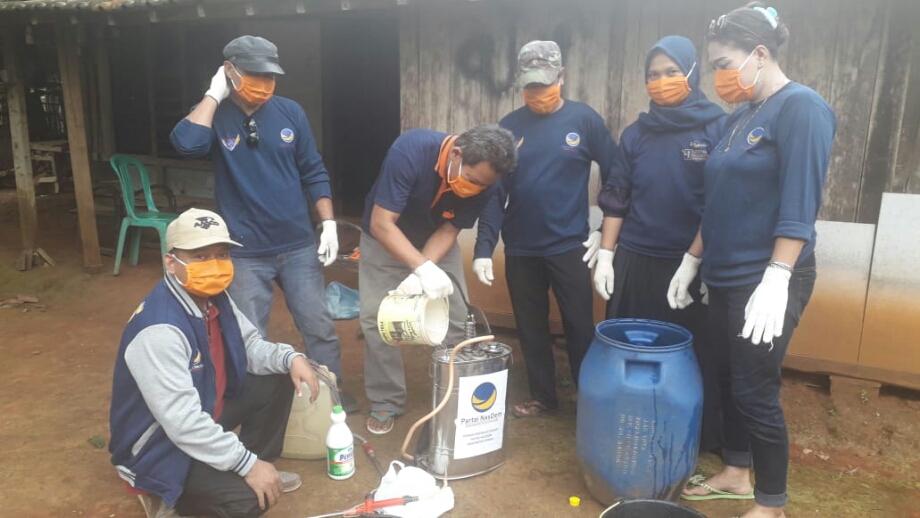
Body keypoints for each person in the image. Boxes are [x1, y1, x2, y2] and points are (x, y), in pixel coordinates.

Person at [673, 5, 836, 518]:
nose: (721, 74)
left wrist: (778, 276)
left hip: (766, 277)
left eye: (725, 62)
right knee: (725, 376)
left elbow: (800, 202)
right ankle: (736, 471)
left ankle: (772, 504)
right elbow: (717, 201)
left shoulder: (802, 108)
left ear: (759, 55)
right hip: (724, 272)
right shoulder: (738, 117)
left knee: (755, 388)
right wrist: (691, 259)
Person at [169, 35, 356, 412]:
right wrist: (212, 94)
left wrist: (329, 223)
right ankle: (258, 406)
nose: (264, 83)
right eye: (254, 74)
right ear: (230, 72)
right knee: (249, 335)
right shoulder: (214, 115)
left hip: (298, 245)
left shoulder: (290, 113)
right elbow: (186, 145)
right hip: (245, 251)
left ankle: (330, 397)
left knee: (318, 327)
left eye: (269, 75)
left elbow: (313, 170)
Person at [109, 208, 321, 518]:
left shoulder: (213, 296)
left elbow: (249, 345)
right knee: (249, 501)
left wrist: (290, 356)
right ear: (171, 263)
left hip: (203, 411)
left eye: (221, 254)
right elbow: (182, 423)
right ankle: (170, 497)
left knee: (278, 376)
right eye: (200, 256)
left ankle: (259, 468)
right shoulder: (160, 330)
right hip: (161, 444)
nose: (214, 266)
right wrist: (246, 466)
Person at [473, 40, 620, 418]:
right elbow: (493, 192)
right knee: (530, 326)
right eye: (530, 86)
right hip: (521, 246)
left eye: (545, 84)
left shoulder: (583, 120)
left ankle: (589, 399)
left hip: (570, 244)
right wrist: (484, 246)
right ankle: (543, 396)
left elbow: (617, 174)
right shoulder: (508, 127)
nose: (538, 93)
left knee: (579, 326)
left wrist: (603, 227)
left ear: (562, 76)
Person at [594, 35, 726, 452]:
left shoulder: (717, 127)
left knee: (691, 353)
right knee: (632, 349)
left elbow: (721, 202)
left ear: (691, 73)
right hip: (636, 258)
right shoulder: (637, 133)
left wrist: (700, 262)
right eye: (653, 75)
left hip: (689, 262)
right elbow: (618, 196)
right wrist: (607, 254)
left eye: (671, 72)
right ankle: (629, 422)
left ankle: (692, 435)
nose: (661, 81)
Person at [361, 125, 517, 435]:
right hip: (385, 238)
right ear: (456, 154)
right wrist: (419, 268)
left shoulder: (486, 182)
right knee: (377, 319)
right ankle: (386, 399)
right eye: (472, 180)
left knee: (456, 318)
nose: (476, 188)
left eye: (483, 185)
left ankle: (457, 393)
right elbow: (382, 223)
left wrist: (424, 267)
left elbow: (449, 230)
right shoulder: (411, 151)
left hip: (435, 237)